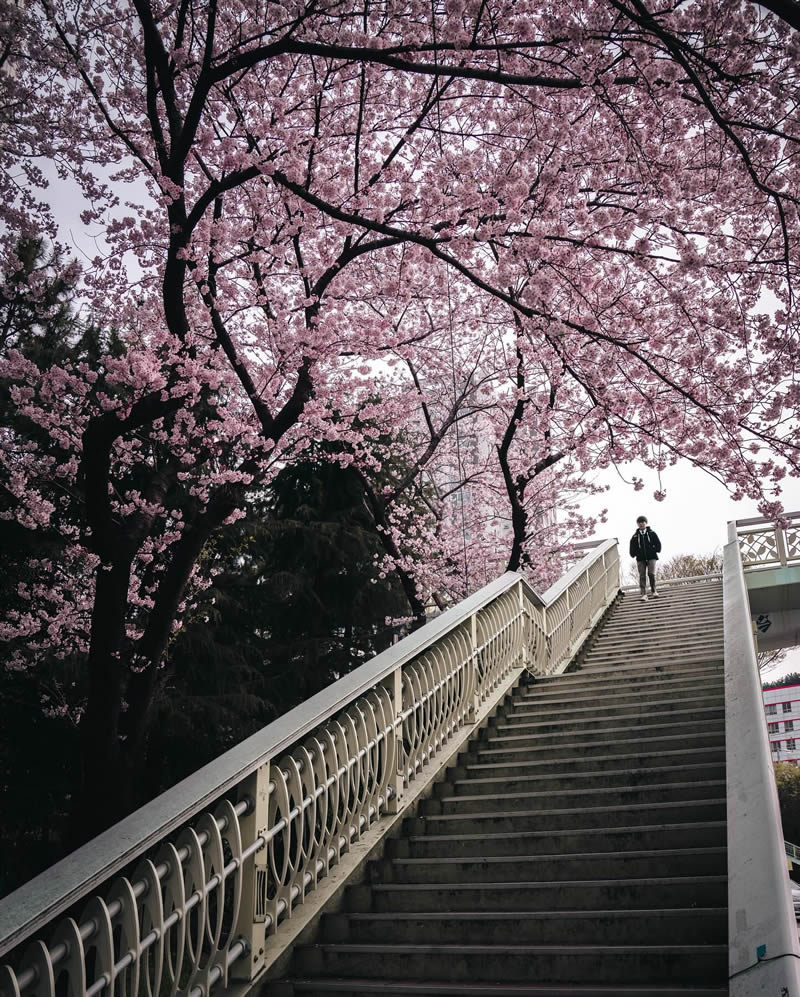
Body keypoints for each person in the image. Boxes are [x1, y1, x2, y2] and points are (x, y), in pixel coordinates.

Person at [629, 515, 661, 601]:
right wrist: (634, 554)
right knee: (642, 575)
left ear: (646, 523)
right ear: (637, 524)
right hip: (640, 558)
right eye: (639, 523)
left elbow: (658, 543)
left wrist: (655, 550)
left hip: (652, 556)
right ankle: (643, 594)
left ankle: (654, 591)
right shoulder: (635, 536)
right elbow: (632, 547)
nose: (641, 524)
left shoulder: (652, 533)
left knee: (651, 574)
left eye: (643, 522)